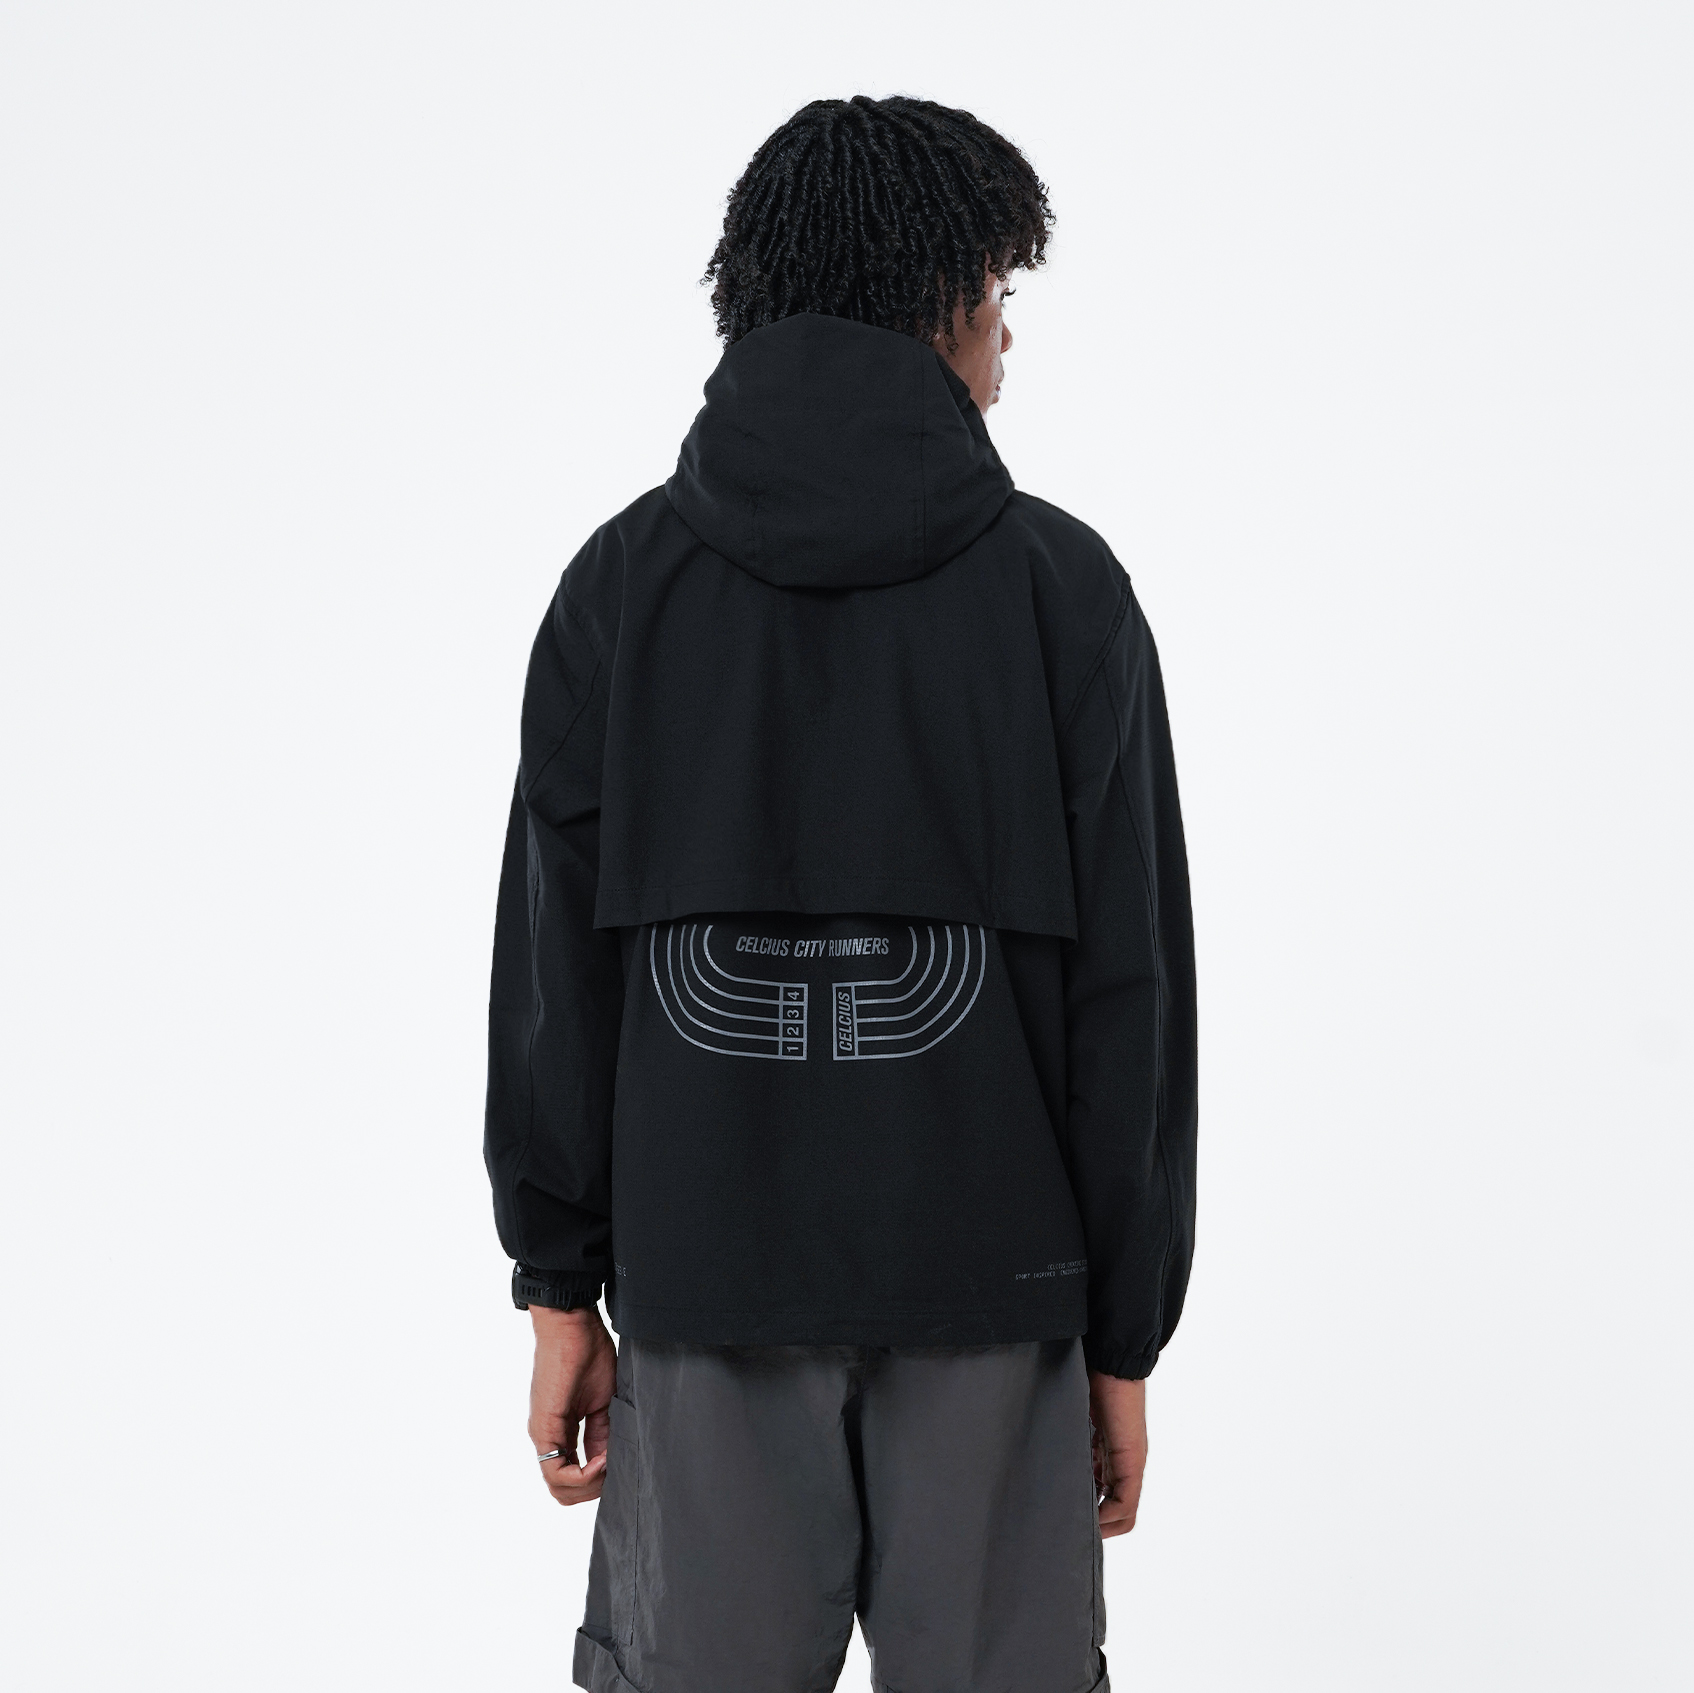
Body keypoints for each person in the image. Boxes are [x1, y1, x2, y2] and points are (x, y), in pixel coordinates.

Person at [484, 94, 1197, 1693]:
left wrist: (556, 1284)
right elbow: (1128, 998)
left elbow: (552, 979)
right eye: (998, 295)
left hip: (703, 1283)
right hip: (995, 1291)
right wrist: (1121, 1334)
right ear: (940, 302)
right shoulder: (1059, 592)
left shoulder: (622, 586)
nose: (1006, 342)